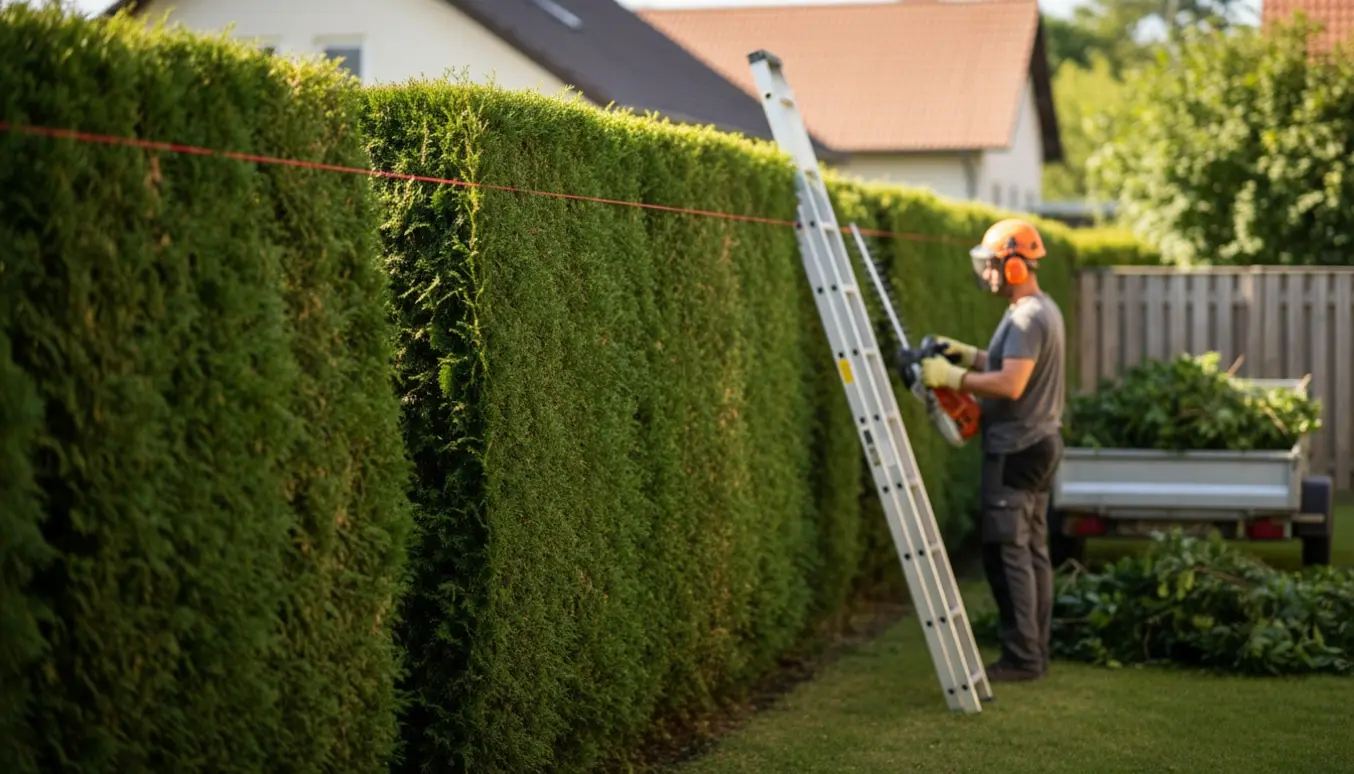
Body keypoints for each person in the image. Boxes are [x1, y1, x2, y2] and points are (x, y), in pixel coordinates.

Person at [915, 218, 1066, 683]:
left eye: (994, 265)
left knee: (1008, 554)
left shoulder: (1025, 318)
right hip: (1040, 444)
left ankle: (1022, 658)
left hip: (1016, 448)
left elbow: (1010, 383)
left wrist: (950, 378)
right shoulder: (1041, 310)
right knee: (1034, 551)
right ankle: (1035, 651)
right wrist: (967, 355)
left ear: (1017, 265)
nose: (987, 274)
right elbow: (1004, 364)